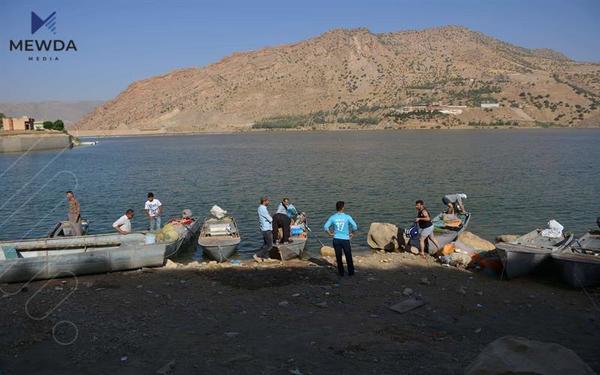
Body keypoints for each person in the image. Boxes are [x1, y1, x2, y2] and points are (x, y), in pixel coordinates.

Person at [323, 201, 358, 277]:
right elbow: (355, 226)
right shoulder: (347, 217)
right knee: (348, 255)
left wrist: (330, 234)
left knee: (338, 256)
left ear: (336, 208)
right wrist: (352, 233)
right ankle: (351, 272)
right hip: (345, 239)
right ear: (343, 208)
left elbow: (325, 227)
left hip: (336, 239)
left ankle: (341, 272)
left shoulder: (333, 217)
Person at [254, 196, 274, 261]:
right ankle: (257, 255)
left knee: (266, 244)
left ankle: (266, 258)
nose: (269, 202)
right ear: (264, 201)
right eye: (268, 201)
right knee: (270, 245)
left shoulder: (260, 208)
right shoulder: (263, 208)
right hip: (267, 229)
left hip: (264, 228)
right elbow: (270, 219)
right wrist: (272, 217)